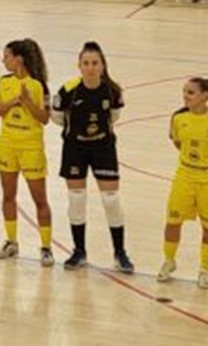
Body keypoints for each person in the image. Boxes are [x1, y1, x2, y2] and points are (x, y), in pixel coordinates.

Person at [52, 42, 134, 273]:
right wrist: (76, 131)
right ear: (79, 66)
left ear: (102, 65)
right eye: (86, 63)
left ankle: (120, 252)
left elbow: (114, 116)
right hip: (74, 148)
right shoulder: (68, 90)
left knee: (111, 199)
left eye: (95, 63)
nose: (90, 67)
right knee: (76, 198)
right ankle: (79, 251)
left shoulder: (112, 90)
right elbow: (57, 117)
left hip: (103, 147)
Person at [158, 78, 208, 289]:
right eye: (184, 92)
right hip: (184, 178)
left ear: (205, 96)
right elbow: (177, 141)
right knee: (172, 221)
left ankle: (204, 269)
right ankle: (169, 261)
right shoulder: (178, 117)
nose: (186, 96)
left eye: (191, 92)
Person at [0, 39, 54, 265]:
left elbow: (44, 118)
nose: (3, 60)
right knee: (8, 196)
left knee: (40, 200)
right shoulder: (3, 82)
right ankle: (11, 242)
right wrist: (13, 101)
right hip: (7, 145)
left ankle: (46, 247)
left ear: (18, 59)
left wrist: (27, 102)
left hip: (31, 147)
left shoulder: (39, 85)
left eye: (6, 56)